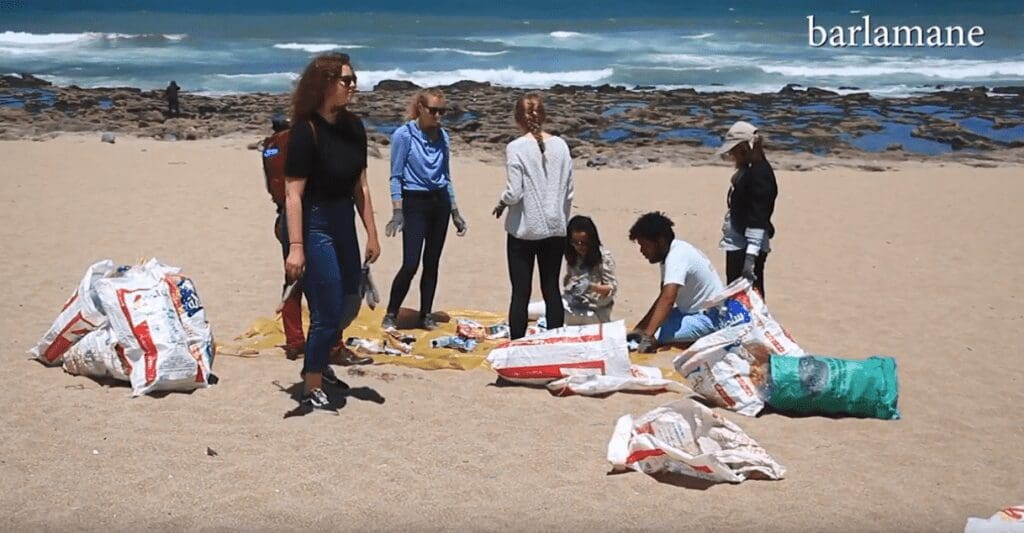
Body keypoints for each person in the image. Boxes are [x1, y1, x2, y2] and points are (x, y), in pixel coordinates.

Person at [283, 52, 382, 408]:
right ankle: (312, 381)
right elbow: (292, 193)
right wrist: (296, 246)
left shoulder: (354, 128)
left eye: (354, 79)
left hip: (344, 220)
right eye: (346, 80)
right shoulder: (305, 130)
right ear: (325, 84)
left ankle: (321, 353)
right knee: (325, 308)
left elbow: (362, 187)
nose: (354, 86)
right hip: (316, 222)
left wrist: (371, 232)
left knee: (350, 301)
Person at [381, 88, 468, 331]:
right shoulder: (404, 135)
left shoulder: (443, 136)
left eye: (443, 111)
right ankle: (391, 312)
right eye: (433, 111)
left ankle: (426, 313)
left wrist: (455, 211)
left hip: (438, 202)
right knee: (410, 263)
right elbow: (395, 176)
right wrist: (397, 210)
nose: (438, 116)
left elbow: (446, 176)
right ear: (420, 108)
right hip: (414, 203)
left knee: (432, 263)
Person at [493, 93, 574, 339]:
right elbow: (569, 191)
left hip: (525, 230)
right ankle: (555, 341)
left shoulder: (516, 147)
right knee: (551, 289)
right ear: (544, 116)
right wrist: (560, 217)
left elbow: (514, 192)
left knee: (521, 292)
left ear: (518, 118)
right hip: (555, 228)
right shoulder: (561, 145)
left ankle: (518, 343)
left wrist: (502, 202)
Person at [627, 212, 724, 352]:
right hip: (690, 312)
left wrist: (648, 336)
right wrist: (639, 329)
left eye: (645, 245)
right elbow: (662, 299)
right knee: (642, 333)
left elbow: (668, 299)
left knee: (650, 337)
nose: (642, 251)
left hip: (709, 318)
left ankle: (697, 340)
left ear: (660, 241)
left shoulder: (677, 256)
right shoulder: (670, 254)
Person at [714, 120, 777, 298]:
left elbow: (758, 216)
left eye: (734, 151)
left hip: (746, 247)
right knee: (739, 295)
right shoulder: (750, 169)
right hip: (739, 243)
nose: (732, 156)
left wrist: (750, 258)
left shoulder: (760, 174)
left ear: (743, 148)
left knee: (749, 296)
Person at [527, 215, 617, 325]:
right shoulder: (574, 255)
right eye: (575, 242)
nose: (580, 247)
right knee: (530, 310)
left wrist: (590, 286)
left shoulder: (604, 258)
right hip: (572, 301)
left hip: (594, 310)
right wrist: (573, 283)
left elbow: (611, 289)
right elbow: (567, 280)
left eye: (584, 243)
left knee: (555, 317)